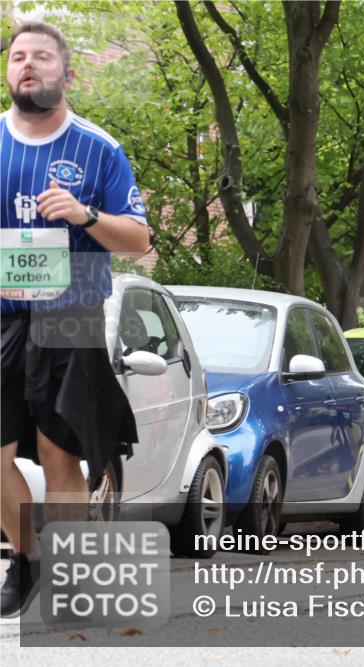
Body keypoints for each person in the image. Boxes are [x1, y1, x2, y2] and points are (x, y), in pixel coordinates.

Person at [1, 21, 149, 617]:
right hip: (3, 311)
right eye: (17, 57)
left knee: (58, 453)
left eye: (41, 56)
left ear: (68, 73)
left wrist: (86, 215)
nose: (27, 66)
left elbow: (138, 238)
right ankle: (29, 557)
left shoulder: (99, 148)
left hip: (70, 308)